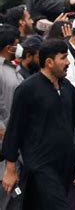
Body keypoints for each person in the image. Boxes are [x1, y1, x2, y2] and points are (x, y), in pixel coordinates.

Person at [1, 39, 75, 210]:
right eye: (63, 58)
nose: (67, 63)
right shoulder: (28, 89)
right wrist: (11, 168)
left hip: (63, 167)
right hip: (40, 166)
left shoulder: (66, 87)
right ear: (49, 62)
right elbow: (14, 129)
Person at [0, 25, 23, 209]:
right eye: (17, 43)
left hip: (15, 151)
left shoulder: (13, 69)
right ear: (9, 47)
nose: (20, 47)